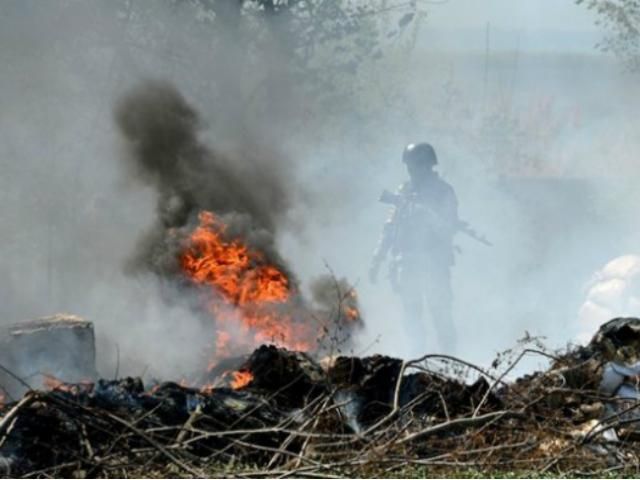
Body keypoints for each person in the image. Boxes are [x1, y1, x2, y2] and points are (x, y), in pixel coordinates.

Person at [369, 143, 459, 353]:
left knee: (440, 312)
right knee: (411, 314)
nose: (411, 170)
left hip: (434, 262)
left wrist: (428, 216)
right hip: (407, 262)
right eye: (409, 166)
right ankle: (415, 357)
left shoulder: (443, 192)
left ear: (427, 166)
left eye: (415, 165)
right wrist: (377, 259)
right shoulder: (404, 190)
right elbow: (390, 227)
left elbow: (449, 228)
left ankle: (449, 359)